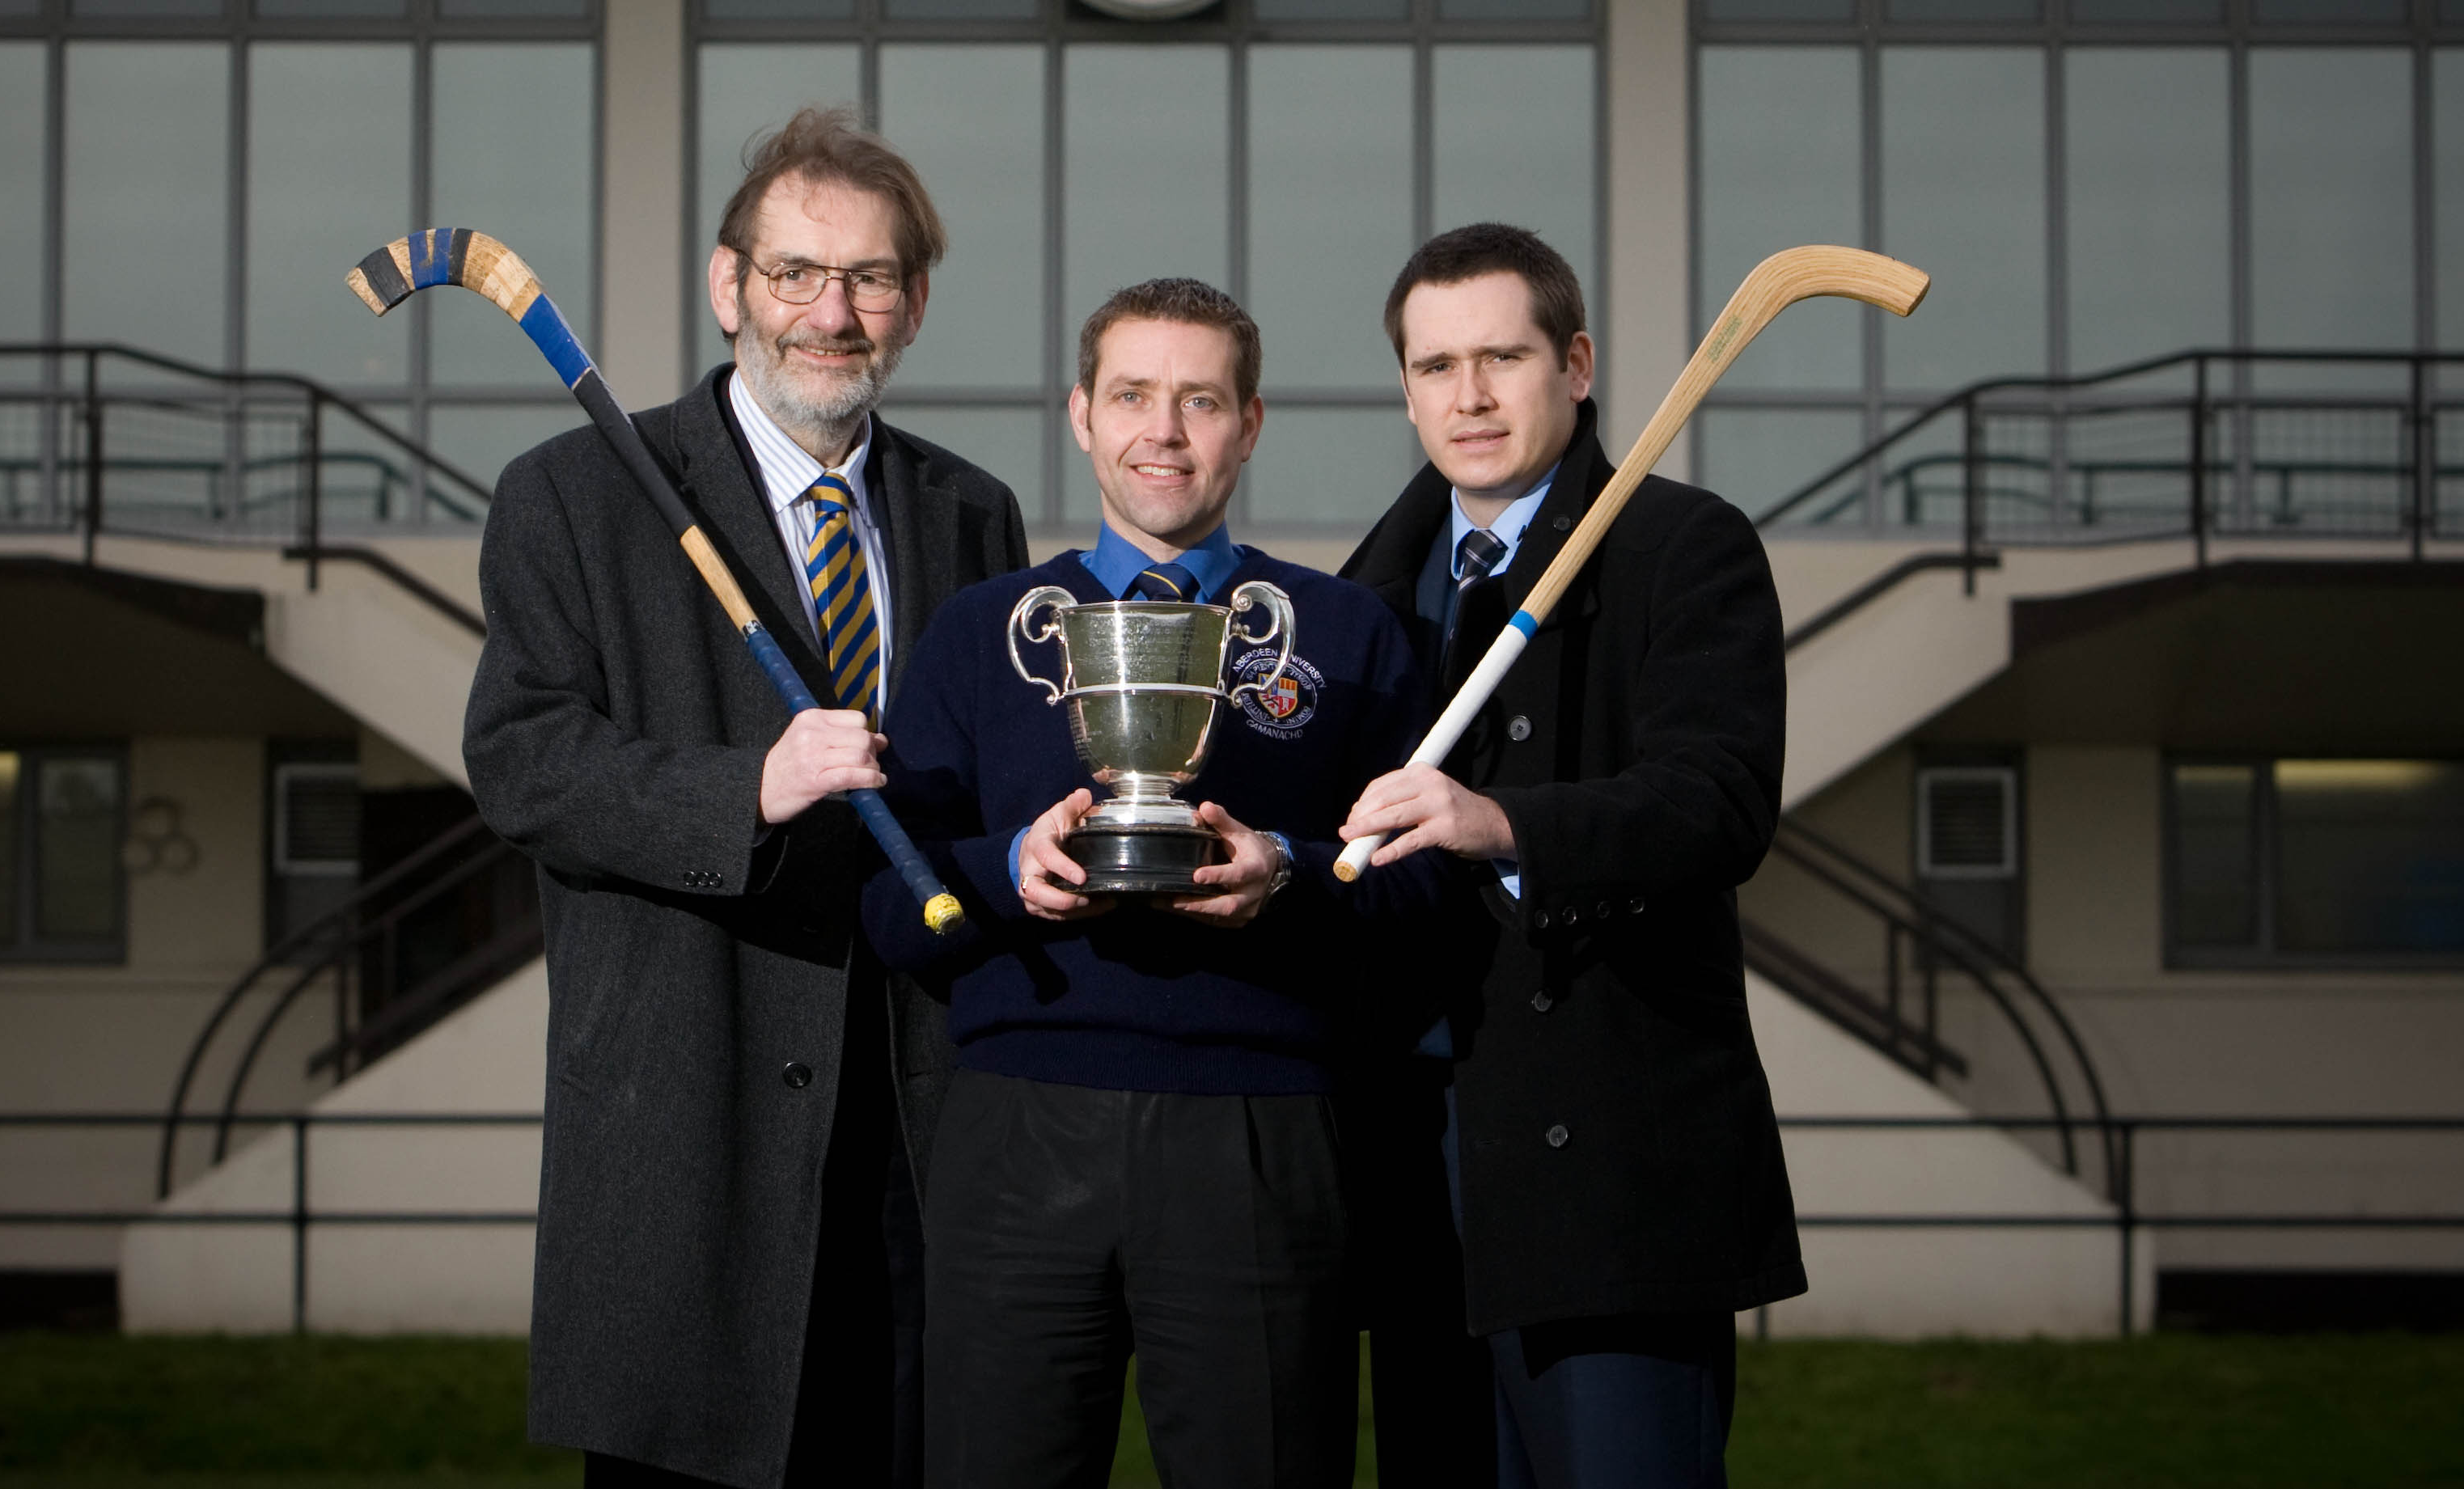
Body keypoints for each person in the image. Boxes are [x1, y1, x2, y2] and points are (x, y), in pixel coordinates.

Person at [463, 107, 1030, 1488]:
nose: (832, 313)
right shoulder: (576, 496)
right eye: (796, 274)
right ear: (731, 287)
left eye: (872, 278)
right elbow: (524, 758)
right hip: (688, 1122)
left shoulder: (973, 513)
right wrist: (748, 789)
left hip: (916, 1121)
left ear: (912, 304)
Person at [862, 278, 1439, 1489]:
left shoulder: (1346, 635)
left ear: (1252, 421)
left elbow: (1423, 907)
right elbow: (886, 904)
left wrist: (1289, 875)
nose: (1163, 430)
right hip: (1018, 1130)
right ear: (1080, 414)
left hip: (1262, 1135)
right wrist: (1007, 871)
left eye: (1200, 399)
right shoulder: (984, 630)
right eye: (1132, 395)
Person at [1336, 223, 1804, 1489]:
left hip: (1610, 1171)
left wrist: (1506, 825)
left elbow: (1718, 803)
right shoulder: (1361, 601)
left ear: (1578, 363)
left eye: (1503, 356)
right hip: (1423, 1173)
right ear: (1407, 388)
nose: (1470, 396)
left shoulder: (1683, 548)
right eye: (1436, 366)